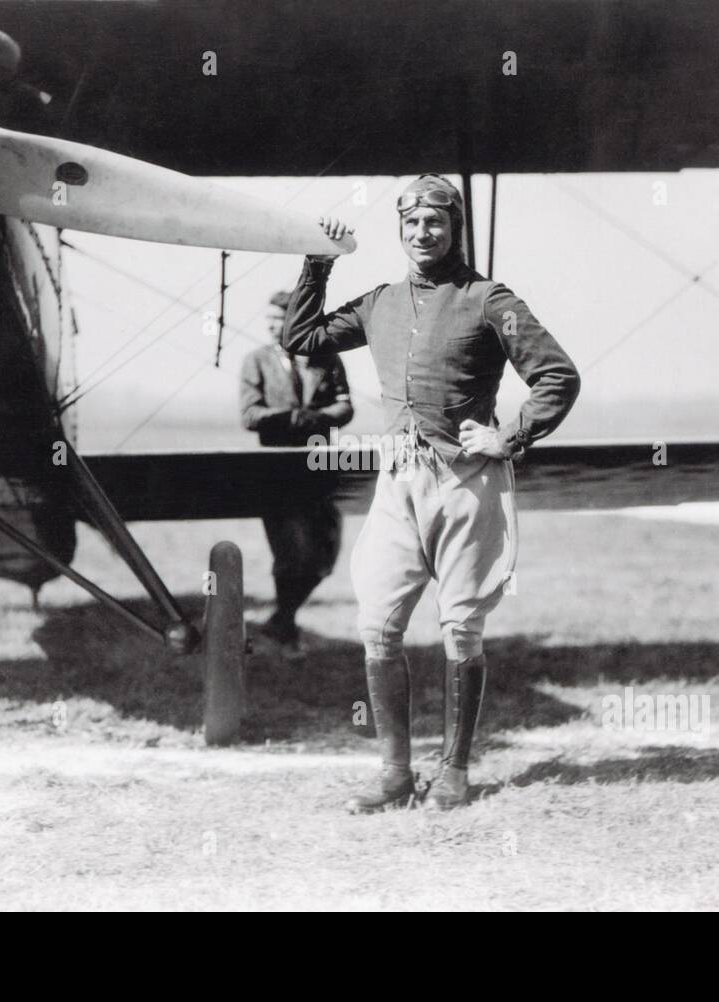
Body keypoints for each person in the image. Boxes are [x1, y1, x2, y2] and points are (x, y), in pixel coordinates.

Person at [283, 174, 579, 811]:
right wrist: (318, 262)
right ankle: (394, 775)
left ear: (454, 229)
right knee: (376, 625)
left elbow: (558, 375)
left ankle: (453, 771)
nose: (423, 233)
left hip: (467, 481)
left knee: (461, 629)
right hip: (398, 482)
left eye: (435, 223)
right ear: (401, 229)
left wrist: (509, 436)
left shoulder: (489, 299)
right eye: (412, 223)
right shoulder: (380, 302)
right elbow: (301, 339)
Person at [240, 290, 354, 656]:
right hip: (276, 471)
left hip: (320, 470)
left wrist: (317, 418)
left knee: (325, 556)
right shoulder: (256, 361)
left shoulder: (327, 358)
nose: (272, 326)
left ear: (297, 321)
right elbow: (249, 415)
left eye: (279, 319)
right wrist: (289, 418)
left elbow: (345, 407)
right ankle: (285, 628)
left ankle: (281, 621)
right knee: (291, 554)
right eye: (269, 320)